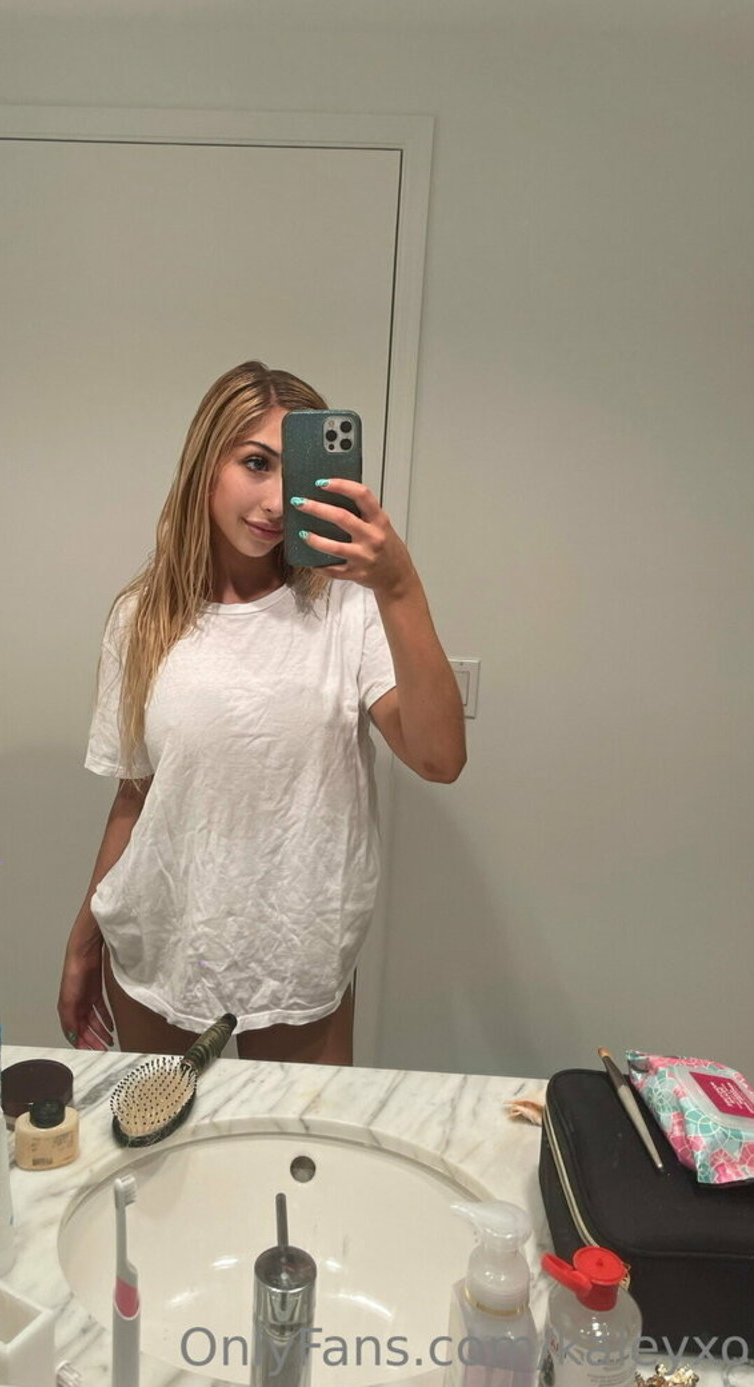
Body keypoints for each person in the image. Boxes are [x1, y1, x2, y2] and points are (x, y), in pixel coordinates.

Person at [57, 361, 465, 1065]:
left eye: (293, 471)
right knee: (165, 1136)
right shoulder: (141, 617)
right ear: (205, 465)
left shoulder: (349, 604)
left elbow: (440, 758)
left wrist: (398, 584)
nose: (277, 501)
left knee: (297, 1139)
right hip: (159, 952)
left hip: (299, 959)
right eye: (255, 463)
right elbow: (136, 794)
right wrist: (84, 938)